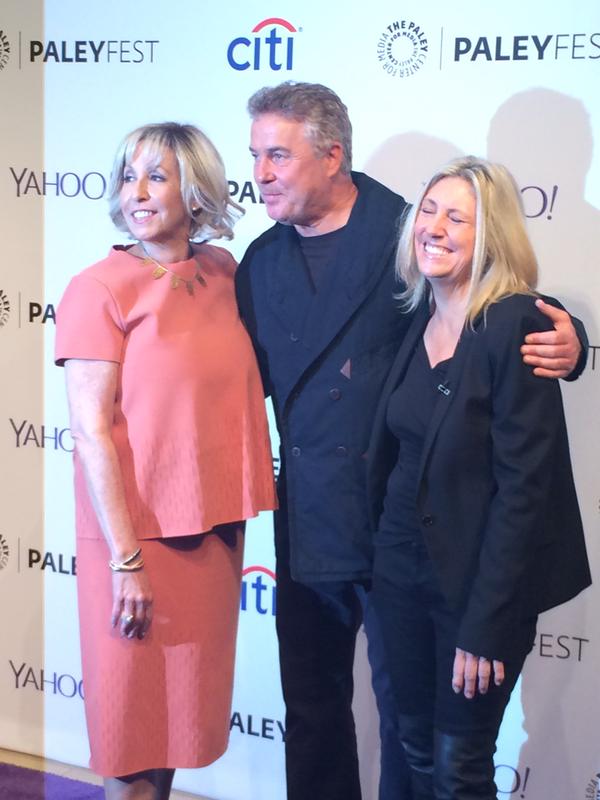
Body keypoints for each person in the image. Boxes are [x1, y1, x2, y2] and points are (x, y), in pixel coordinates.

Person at [235, 82, 587, 800]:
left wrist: (572, 340)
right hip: (311, 518)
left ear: (332, 155)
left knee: (418, 738)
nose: (261, 173)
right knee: (315, 711)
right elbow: (230, 374)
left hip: (402, 530)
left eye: (278, 155)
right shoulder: (260, 262)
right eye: (256, 156)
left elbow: (495, 299)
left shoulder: (401, 228)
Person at [55, 123, 277, 800]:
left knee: (175, 732)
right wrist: (126, 561)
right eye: (129, 176)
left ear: (196, 191)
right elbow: (90, 433)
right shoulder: (98, 288)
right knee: (132, 744)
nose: (138, 192)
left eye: (157, 176)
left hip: (212, 536)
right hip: (135, 542)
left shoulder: (223, 273)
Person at [367, 156, 591, 800]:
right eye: (428, 211)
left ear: (490, 235)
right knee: (413, 749)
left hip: (474, 592)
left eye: (457, 218)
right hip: (398, 578)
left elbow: (525, 492)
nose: (434, 228)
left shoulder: (516, 324)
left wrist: (487, 625)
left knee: (459, 767)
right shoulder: (416, 314)